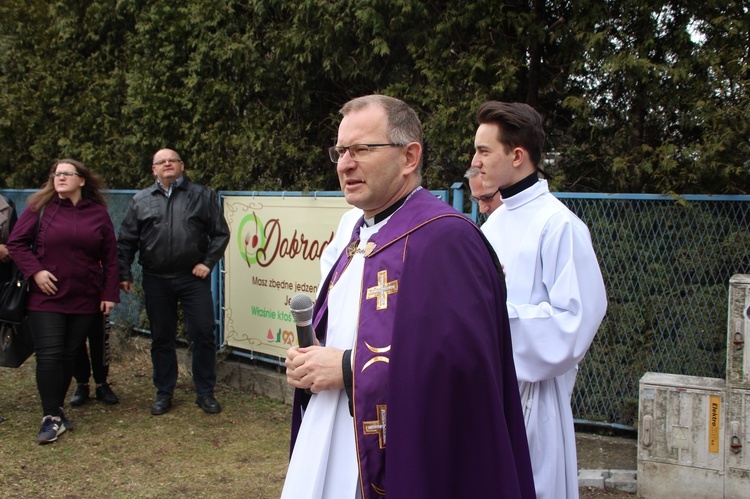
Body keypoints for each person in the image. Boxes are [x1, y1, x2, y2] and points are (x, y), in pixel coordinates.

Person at [282, 95, 535, 499]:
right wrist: (311, 358)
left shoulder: (446, 238)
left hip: (409, 456)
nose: (345, 163)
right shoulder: (361, 233)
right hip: (331, 437)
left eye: (362, 149)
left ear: (409, 157)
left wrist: (350, 368)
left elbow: (463, 368)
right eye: (340, 151)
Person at [471, 101, 608, 499]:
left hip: (535, 403)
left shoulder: (559, 224)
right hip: (489, 392)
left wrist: (490, 320)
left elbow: (575, 321)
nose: (474, 161)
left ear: (517, 156)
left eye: (483, 150)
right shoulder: (493, 223)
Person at [7, 159, 120, 444]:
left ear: (81, 180)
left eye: (67, 174)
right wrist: (36, 271)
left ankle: (56, 411)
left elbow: (110, 256)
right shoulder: (39, 209)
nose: (60, 177)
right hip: (46, 297)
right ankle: (50, 416)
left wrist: (109, 294)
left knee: (69, 355)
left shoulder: (98, 214)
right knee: (49, 355)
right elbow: (17, 244)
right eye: (57, 174)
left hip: (84, 296)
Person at [117, 149, 230, 416]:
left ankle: (205, 393)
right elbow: (126, 241)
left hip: (192, 278)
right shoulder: (141, 200)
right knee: (162, 337)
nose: (167, 163)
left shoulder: (202, 196)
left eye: (172, 160)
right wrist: (124, 274)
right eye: (161, 161)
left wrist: (208, 262)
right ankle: (164, 393)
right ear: (153, 170)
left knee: (203, 333)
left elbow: (220, 233)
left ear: (182, 166)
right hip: (156, 279)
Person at [69, 311, 119, 406]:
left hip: (98, 303)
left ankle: (101, 384)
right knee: (75, 342)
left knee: (100, 341)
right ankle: (81, 384)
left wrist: (109, 297)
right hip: (72, 303)